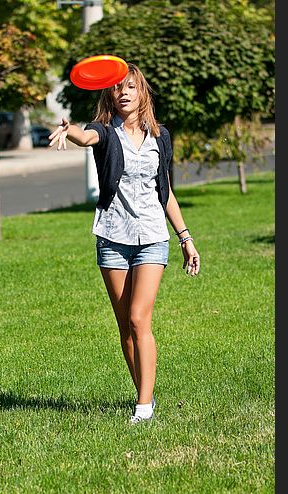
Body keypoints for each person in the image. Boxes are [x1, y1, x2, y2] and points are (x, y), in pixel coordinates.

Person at [49, 63, 200, 424]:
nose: (124, 93)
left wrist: (186, 238)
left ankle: (143, 408)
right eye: (117, 89)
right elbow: (86, 138)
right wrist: (68, 130)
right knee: (124, 327)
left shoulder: (160, 136)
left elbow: (165, 192)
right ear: (109, 95)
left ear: (141, 92)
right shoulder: (103, 131)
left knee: (138, 318)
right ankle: (144, 393)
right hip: (113, 237)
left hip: (151, 237)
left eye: (130, 87)